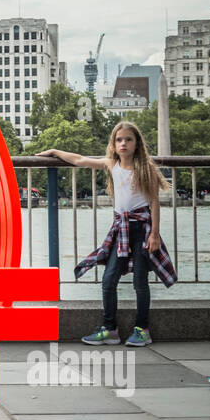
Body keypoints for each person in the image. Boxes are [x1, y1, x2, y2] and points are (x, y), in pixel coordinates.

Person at [38, 122, 176, 346]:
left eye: (128, 139)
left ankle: (142, 329)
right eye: (119, 139)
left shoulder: (145, 168)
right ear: (113, 144)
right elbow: (80, 160)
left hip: (142, 228)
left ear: (137, 143)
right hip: (120, 228)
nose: (123, 143)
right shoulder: (112, 164)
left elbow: (154, 202)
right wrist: (54, 152)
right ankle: (110, 328)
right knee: (109, 279)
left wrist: (155, 235)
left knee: (140, 281)